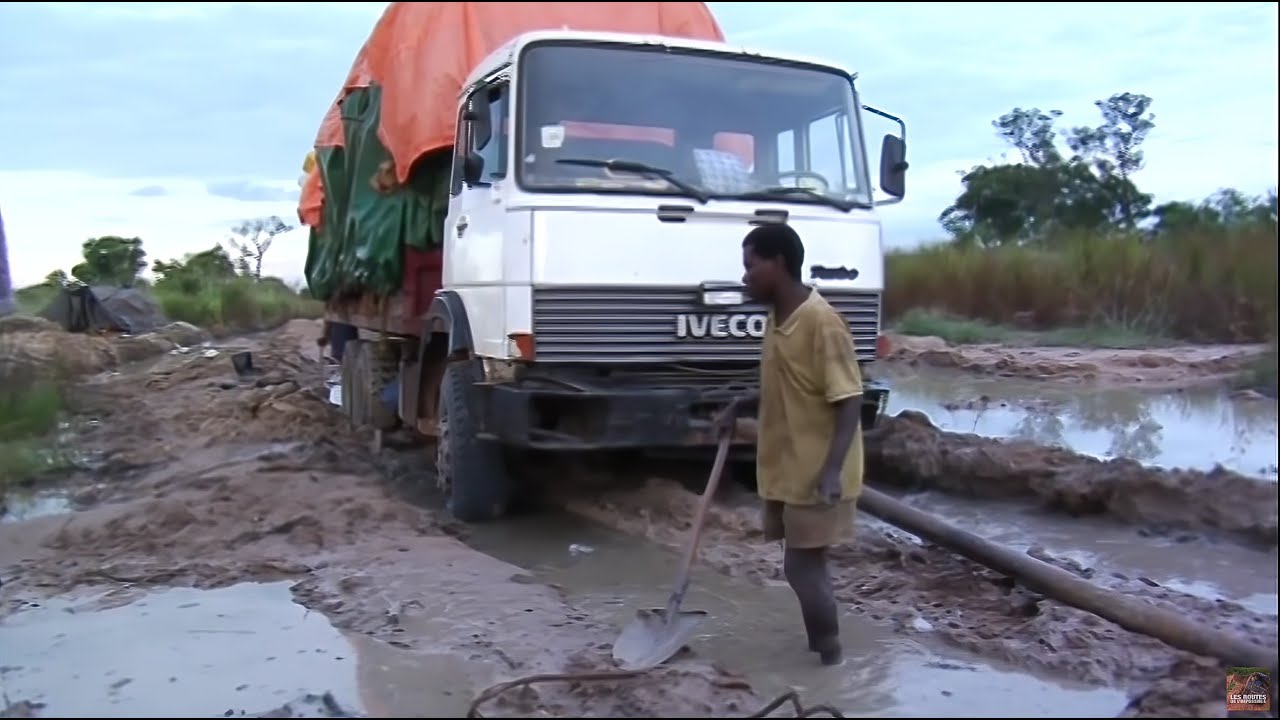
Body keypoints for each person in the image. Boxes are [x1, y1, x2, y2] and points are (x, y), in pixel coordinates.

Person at [740, 222, 865, 666]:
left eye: (751, 267)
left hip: (817, 471)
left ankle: (830, 659)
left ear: (778, 264)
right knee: (805, 565)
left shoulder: (821, 322)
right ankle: (823, 647)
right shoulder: (779, 316)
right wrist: (736, 407)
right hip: (787, 465)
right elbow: (784, 381)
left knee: (802, 567)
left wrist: (831, 471)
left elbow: (849, 399)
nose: (745, 278)